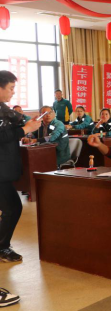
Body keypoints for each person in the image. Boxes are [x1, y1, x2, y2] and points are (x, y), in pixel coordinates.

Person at [0, 71, 41, 269]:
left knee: (10, 208)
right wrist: (26, 129)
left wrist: (28, 124)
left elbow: (10, 126)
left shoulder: (3, 109)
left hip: (4, 169)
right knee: (13, 208)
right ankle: (2, 247)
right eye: (11, 88)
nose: (13, 92)